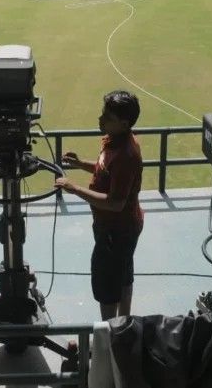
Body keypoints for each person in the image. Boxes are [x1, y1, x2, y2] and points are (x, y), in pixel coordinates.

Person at [55, 90, 143, 320]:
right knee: (123, 275)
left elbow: (115, 203)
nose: (101, 120)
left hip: (116, 231)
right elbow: (104, 169)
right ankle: (124, 327)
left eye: (108, 118)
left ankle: (110, 335)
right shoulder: (115, 141)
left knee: (108, 284)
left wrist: (75, 189)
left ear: (124, 124)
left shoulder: (126, 155)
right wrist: (80, 163)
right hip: (118, 228)